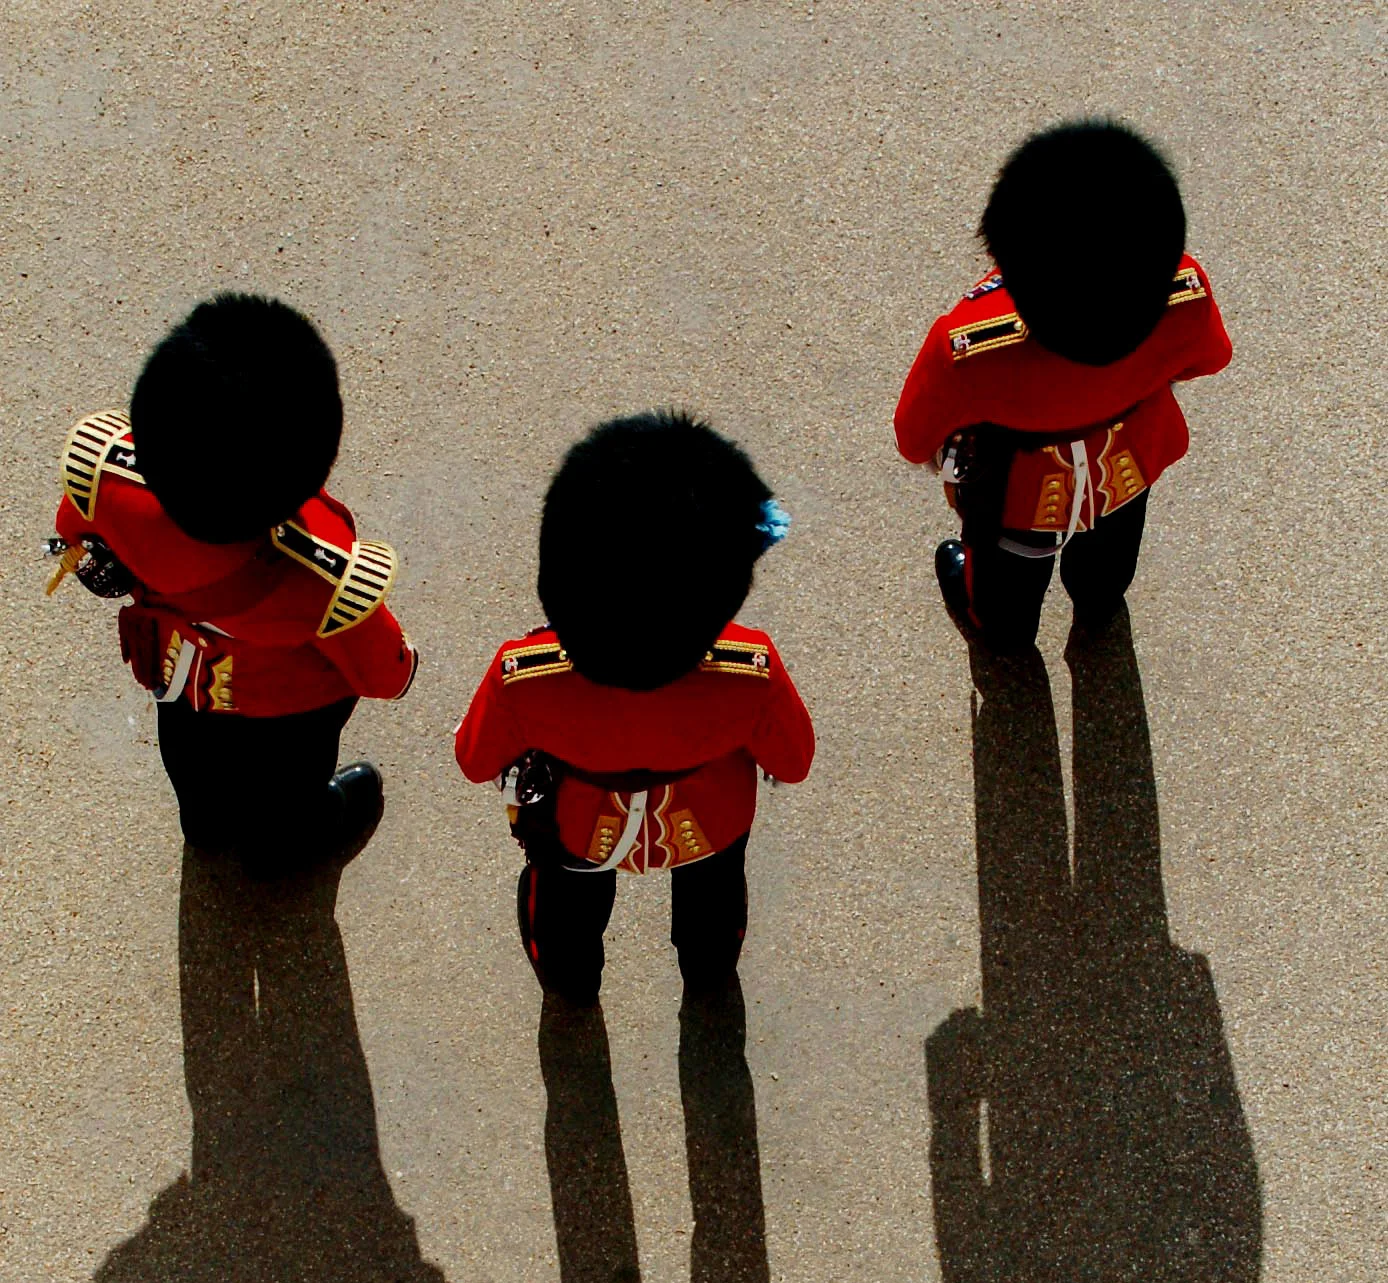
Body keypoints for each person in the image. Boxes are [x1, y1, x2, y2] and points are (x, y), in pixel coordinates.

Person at [453, 412, 814, 1005]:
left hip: (575, 827)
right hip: (711, 822)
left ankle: (570, 982)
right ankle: (708, 971)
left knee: (565, 915)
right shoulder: (751, 670)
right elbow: (793, 762)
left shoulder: (523, 676)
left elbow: (474, 761)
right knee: (714, 903)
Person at [49, 294, 417, 873]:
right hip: (289, 712)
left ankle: (206, 827)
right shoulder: (323, 570)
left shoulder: (111, 481)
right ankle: (279, 853)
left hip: (178, 676)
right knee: (290, 792)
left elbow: (73, 529)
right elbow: (385, 673)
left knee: (189, 761)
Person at [894, 120, 1232, 652]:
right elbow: (1210, 359)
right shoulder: (1183, 293)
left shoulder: (970, 347)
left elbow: (914, 438)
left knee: (1005, 600)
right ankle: (1097, 603)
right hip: (1129, 462)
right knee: (1109, 559)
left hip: (1018, 493)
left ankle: (1004, 632)